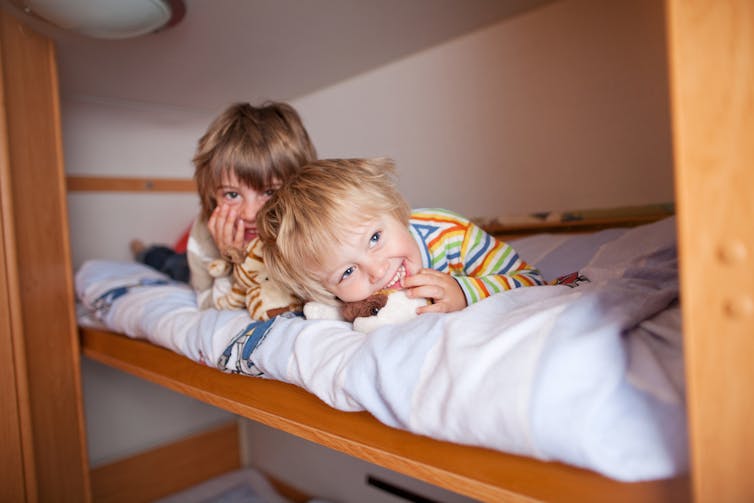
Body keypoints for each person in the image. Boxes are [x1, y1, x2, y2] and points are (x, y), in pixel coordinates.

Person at [256, 158, 545, 314]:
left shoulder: (451, 236)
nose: (378, 271)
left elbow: (533, 282)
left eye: (374, 239)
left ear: (394, 210)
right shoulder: (332, 295)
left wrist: (463, 293)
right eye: (346, 272)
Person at [188, 101, 317, 309]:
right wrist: (229, 261)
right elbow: (207, 304)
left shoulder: (313, 227)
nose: (249, 214)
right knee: (169, 264)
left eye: (269, 192)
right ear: (212, 194)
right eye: (232, 194)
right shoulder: (204, 233)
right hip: (194, 265)